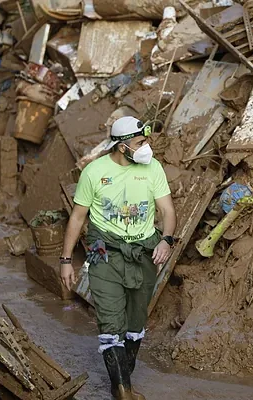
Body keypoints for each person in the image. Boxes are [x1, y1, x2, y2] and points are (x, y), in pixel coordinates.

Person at [59, 116, 176, 400]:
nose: (147, 147)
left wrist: (167, 240)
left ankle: (121, 386)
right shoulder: (94, 172)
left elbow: (168, 213)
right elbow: (77, 218)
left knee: (136, 323)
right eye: (140, 142)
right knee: (111, 324)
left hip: (142, 252)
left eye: (146, 140)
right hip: (103, 253)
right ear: (122, 147)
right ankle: (124, 393)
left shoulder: (153, 169)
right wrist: (65, 261)